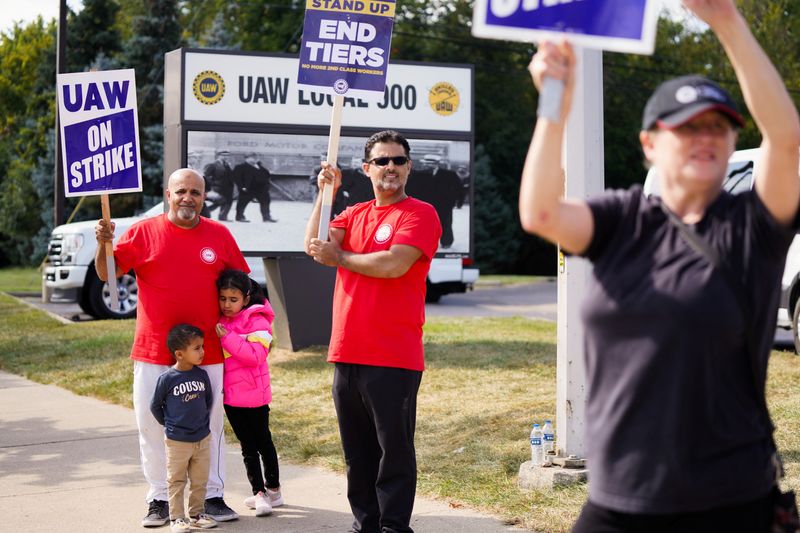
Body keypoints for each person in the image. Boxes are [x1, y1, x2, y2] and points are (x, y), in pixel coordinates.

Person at [519, 2, 800, 532]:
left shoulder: (752, 227)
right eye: (687, 126)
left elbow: (785, 140)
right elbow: (539, 213)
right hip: (618, 501)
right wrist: (555, 100)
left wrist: (726, 20)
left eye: (720, 126)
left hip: (730, 501)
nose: (707, 136)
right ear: (649, 143)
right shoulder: (622, 218)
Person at [95, 168, 250, 527]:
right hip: (153, 351)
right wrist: (104, 244)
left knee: (208, 426)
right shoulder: (143, 232)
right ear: (169, 194)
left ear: (204, 196)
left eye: (195, 192)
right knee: (151, 425)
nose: (188, 198)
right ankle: (160, 500)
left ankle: (210, 495)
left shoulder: (219, 235)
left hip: (207, 351)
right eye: (182, 191)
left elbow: (241, 286)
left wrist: (250, 328)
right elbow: (108, 273)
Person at [304, 130, 442, 533]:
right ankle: (366, 524)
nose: (391, 168)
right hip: (347, 352)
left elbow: (393, 264)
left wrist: (341, 257)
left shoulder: (419, 213)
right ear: (367, 169)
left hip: (393, 354)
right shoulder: (354, 213)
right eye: (382, 161)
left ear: (409, 167)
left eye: (398, 160)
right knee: (357, 454)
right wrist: (324, 194)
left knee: (393, 453)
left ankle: (394, 527)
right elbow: (315, 244)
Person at [214, 269, 284, 517]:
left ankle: (273, 490)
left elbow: (256, 356)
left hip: (255, 396)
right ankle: (259, 492)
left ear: (245, 298)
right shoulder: (221, 322)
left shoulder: (258, 321)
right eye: (222, 299)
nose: (227, 305)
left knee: (263, 442)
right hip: (232, 399)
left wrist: (228, 339)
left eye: (233, 300)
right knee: (247, 447)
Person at [150, 324, 218, 533]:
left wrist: (201, 425)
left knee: (199, 480)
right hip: (177, 441)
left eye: (202, 346)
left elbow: (207, 401)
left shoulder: (201, 375)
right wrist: (170, 424)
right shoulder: (167, 379)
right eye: (196, 348)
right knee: (177, 480)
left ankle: (196, 515)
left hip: (202, 439)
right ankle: (177, 518)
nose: (202, 352)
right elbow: (155, 406)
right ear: (179, 354)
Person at [406, 154, 463, 249]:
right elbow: (411, 189)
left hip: (445, 205)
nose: (426, 165)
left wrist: (458, 201)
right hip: (426, 206)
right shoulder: (419, 175)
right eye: (425, 163)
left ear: (436, 164)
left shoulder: (449, 174)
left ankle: (446, 242)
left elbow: (459, 188)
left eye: (429, 163)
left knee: (445, 223)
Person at [233, 152, 276, 222]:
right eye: (253, 157)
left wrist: (260, 165)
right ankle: (240, 216)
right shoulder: (240, 167)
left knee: (265, 202)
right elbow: (237, 178)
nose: (255, 159)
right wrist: (241, 187)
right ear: (246, 158)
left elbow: (267, 174)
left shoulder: (259, 166)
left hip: (261, 189)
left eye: (256, 157)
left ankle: (266, 217)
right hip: (248, 189)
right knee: (242, 203)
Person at [203, 150, 234, 221]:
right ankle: (207, 211)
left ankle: (223, 216)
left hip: (228, 187)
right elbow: (206, 176)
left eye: (227, 155)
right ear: (219, 156)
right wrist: (212, 184)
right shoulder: (213, 164)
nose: (226, 157)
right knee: (220, 201)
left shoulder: (228, 164)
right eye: (223, 155)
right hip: (218, 187)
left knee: (228, 201)